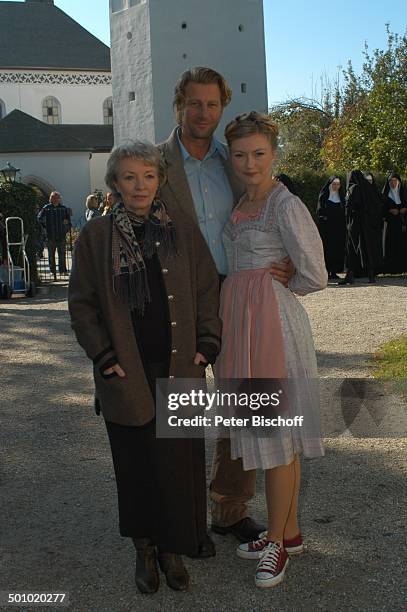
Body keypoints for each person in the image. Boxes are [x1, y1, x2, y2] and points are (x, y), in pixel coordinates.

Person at [68, 141, 221, 594]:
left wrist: (207, 343)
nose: (140, 186)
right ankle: (144, 550)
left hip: (178, 367)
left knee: (177, 464)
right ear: (115, 182)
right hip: (126, 373)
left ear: (160, 181)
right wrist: (104, 357)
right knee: (135, 466)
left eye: (149, 176)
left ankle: (173, 549)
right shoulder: (95, 237)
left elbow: (207, 288)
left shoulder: (182, 230)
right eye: (130, 177)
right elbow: (81, 305)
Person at [159, 66, 293, 551]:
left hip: (236, 293)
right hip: (180, 300)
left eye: (212, 104)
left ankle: (230, 511)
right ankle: (180, 514)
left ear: (222, 107)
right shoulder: (156, 163)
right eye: (194, 103)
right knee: (184, 406)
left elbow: (268, 215)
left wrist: (286, 266)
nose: (203, 112)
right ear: (179, 104)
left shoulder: (234, 161)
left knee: (242, 403)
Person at [217, 111, 327, 588]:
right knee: (266, 431)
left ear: (274, 154)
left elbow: (316, 273)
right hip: (242, 325)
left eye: (259, 153)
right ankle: (291, 530)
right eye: (240, 154)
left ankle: (279, 544)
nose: (249, 162)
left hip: (271, 327)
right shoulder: (243, 202)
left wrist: (282, 282)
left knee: (278, 437)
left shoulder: (284, 204)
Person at [339, 170, 383, 284]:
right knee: (366, 249)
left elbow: (349, 207)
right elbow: (378, 203)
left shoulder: (353, 189)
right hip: (367, 224)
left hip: (355, 224)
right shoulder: (369, 188)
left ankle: (350, 275)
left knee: (351, 249)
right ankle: (371, 276)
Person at [316, 176, 346, 279]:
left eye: (338, 184)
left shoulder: (341, 197)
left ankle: (334, 271)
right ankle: (325, 271)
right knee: (326, 249)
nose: (336, 186)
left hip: (338, 228)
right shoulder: (324, 196)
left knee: (336, 250)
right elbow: (320, 211)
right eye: (334, 184)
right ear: (330, 185)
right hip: (327, 229)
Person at [37, 191, 71, 280]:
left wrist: (66, 226)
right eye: (53, 197)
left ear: (59, 199)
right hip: (50, 235)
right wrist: (45, 227)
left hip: (61, 234)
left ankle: (63, 271)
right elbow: (39, 218)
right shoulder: (46, 208)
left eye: (57, 197)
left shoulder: (63, 208)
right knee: (51, 255)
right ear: (50, 199)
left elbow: (68, 221)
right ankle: (53, 271)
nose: (55, 199)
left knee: (62, 254)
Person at [382, 172, 407, 274]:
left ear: (398, 182)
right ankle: (391, 269)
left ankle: (403, 268)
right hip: (391, 225)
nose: (393, 183)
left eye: (395, 181)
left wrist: (405, 209)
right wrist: (389, 211)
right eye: (391, 181)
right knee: (391, 245)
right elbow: (381, 209)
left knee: (403, 245)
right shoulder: (384, 195)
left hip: (403, 224)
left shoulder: (403, 193)